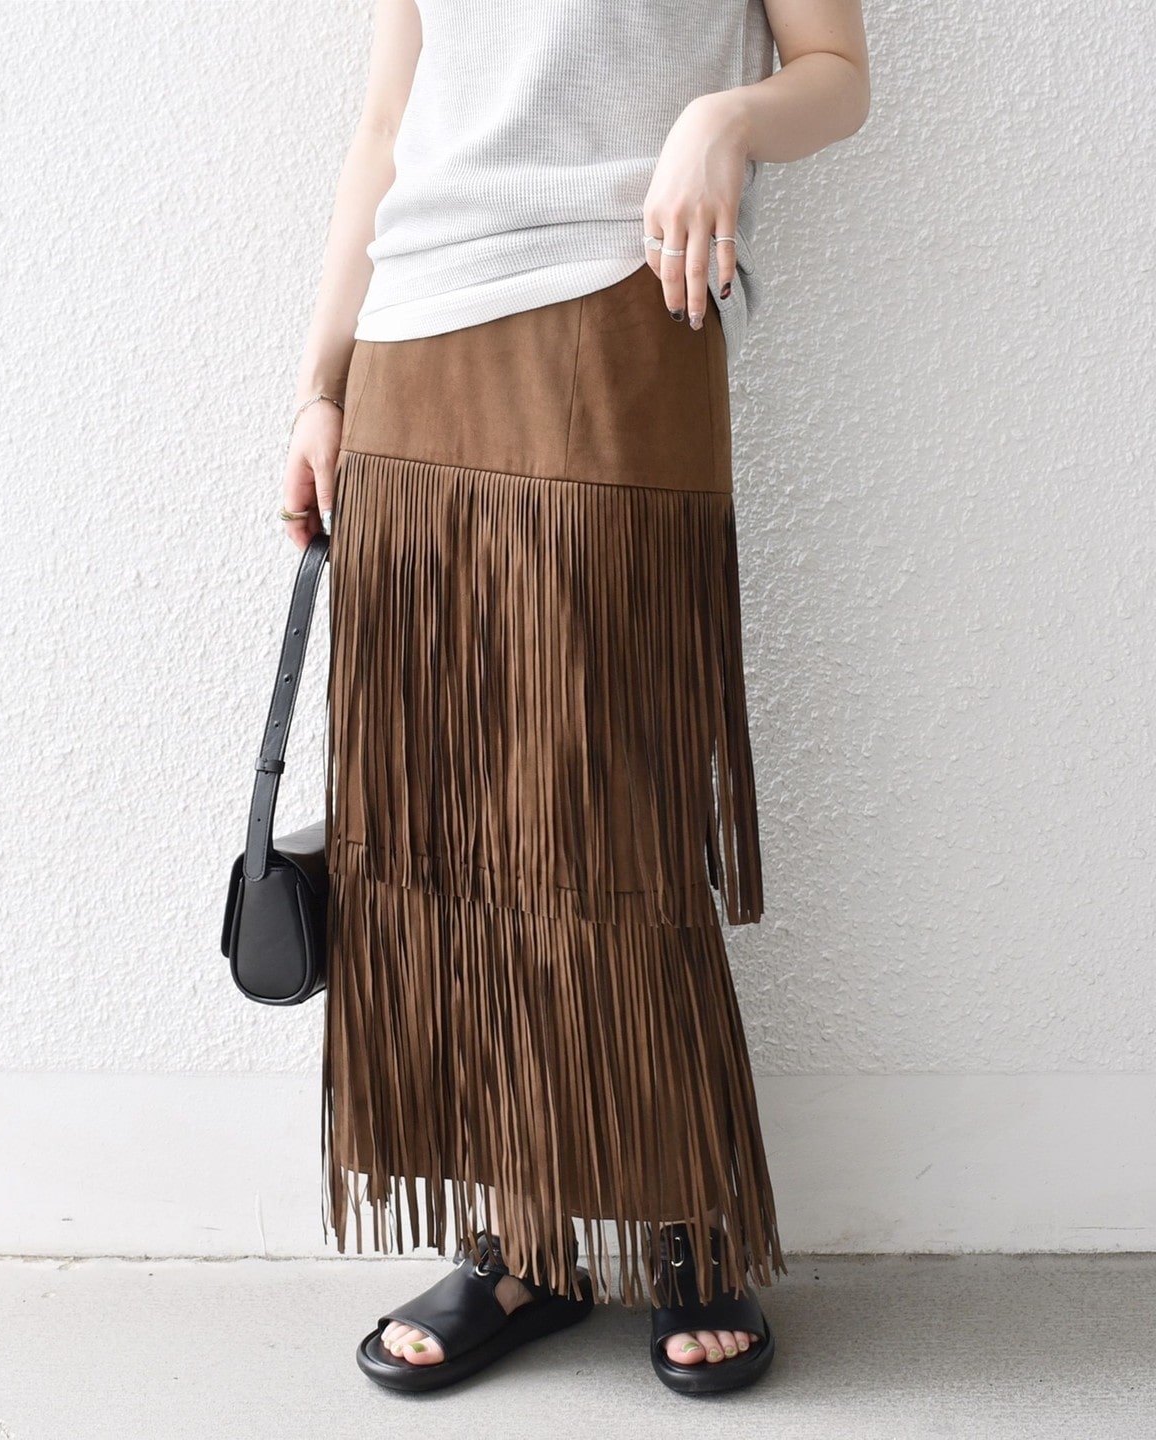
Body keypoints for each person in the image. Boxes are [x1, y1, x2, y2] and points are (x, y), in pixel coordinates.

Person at [280, 0, 869, 1397]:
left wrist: (723, 118)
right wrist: (319, 383)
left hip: (617, 308)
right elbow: (388, 124)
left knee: (609, 804)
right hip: (414, 345)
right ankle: (523, 1241)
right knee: (452, 819)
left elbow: (838, 75)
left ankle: (685, 1221)